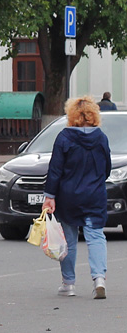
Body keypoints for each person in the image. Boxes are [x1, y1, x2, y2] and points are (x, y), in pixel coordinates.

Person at [43, 96, 111, 299]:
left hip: (68, 196)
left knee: (69, 240)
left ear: (71, 115)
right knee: (96, 236)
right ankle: (99, 278)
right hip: (94, 195)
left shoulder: (64, 137)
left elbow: (55, 170)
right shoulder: (101, 137)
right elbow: (106, 167)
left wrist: (49, 196)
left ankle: (68, 284)